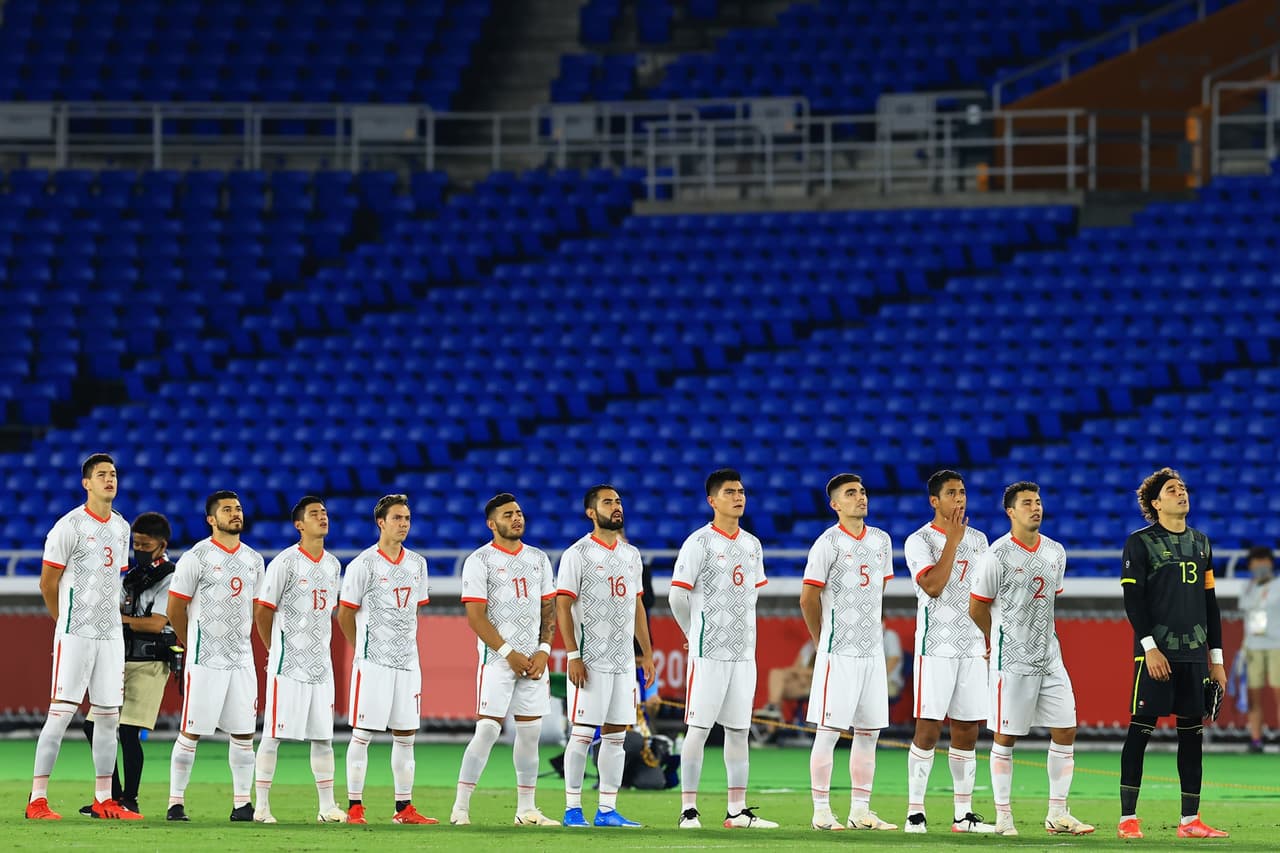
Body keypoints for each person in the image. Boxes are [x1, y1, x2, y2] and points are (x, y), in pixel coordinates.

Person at [968, 481, 1094, 837]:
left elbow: (1050, 599)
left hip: (1050, 657)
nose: (1035, 508)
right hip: (1012, 660)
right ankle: (1004, 816)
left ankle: (1058, 813)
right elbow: (977, 606)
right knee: (1006, 737)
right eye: (1027, 503)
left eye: (1038, 502)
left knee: (1066, 729)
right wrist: (994, 639)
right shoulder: (997, 555)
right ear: (1011, 511)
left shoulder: (1056, 551)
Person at [1118, 468, 1228, 839]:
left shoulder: (1202, 543)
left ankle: (1190, 821)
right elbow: (1133, 601)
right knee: (1141, 730)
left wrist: (1217, 660)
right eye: (1171, 489)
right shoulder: (1140, 542)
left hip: (1195, 655)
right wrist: (1149, 648)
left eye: (1182, 488)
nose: (1181, 493)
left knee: (1192, 735)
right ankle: (1127, 819)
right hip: (1156, 654)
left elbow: (1210, 604)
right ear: (1155, 503)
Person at [28, 453, 139, 821]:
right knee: (61, 714)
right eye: (102, 475)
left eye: (113, 474)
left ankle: (104, 798)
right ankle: (37, 799)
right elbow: (48, 583)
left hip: (110, 636)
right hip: (75, 632)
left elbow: (116, 579)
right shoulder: (69, 526)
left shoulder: (122, 528)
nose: (110, 479)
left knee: (108, 717)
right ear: (86, 483)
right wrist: (65, 623)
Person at [670, 468, 777, 830]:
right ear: (712, 500)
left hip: (744, 654)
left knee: (738, 731)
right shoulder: (698, 543)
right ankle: (688, 810)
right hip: (709, 652)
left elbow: (754, 593)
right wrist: (692, 632)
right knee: (698, 730)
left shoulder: (752, 544)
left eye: (741, 491)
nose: (738, 496)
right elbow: (676, 595)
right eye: (730, 491)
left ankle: (737, 810)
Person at [450, 493, 558, 827]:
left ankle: (527, 809)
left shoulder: (538, 559)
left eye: (519, 513)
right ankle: (460, 808)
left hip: (533, 661)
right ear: (491, 523)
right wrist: (509, 653)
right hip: (498, 660)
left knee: (530, 735)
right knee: (486, 730)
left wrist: (543, 649)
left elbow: (548, 610)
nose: (516, 518)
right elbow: (476, 617)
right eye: (508, 514)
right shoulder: (479, 560)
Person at [800, 473, 898, 831]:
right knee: (828, 732)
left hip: (871, 653)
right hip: (837, 652)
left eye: (863, 490)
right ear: (835, 504)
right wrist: (821, 640)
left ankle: (861, 810)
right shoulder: (827, 543)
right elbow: (808, 598)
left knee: (869, 733)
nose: (861, 497)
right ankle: (822, 811)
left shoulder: (881, 541)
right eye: (851, 493)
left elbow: (877, 596)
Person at [556, 484, 656, 828]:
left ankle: (607, 810)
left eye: (618, 502)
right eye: (607, 502)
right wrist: (572, 654)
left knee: (615, 736)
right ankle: (572, 809)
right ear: (590, 512)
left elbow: (637, 605)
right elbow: (563, 605)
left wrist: (646, 652)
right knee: (583, 734)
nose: (616, 507)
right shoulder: (577, 554)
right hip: (591, 660)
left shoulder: (631, 554)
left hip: (623, 662)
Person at [901, 469, 993, 833]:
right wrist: (953, 541)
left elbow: (986, 595)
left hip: (971, 647)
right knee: (927, 729)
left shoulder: (981, 540)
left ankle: (963, 815)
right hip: (935, 647)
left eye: (963, 492)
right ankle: (914, 812)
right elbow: (934, 586)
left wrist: (989, 638)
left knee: (968, 731)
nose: (960, 499)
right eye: (952, 493)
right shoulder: (918, 541)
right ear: (934, 501)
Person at [165, 490, 264, 822]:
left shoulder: (254, 560)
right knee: (192, 730)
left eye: (238, 508)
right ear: (211, 519)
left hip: (241, 659)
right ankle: (175, 802)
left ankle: (241, 804)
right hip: (205, 658)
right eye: (227, 510)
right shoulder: (197, 557)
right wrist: (192, 641)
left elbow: (256, 609)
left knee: (243, 733)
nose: (235, 513)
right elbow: (175, 607)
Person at [337, 494, 436, 825]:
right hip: (373, 664)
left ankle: (403, 808)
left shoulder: (417, 564)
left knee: (406, 736)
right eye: (397, 518)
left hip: (408, 663)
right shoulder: (363, 565)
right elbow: (345, 613)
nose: (404, 524)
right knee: (363, 734)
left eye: (407, 518)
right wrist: (362, 650)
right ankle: (354, 806)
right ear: (381, 522)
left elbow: (415, 610)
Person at [251, 496, 346, 824]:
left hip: (320, 666)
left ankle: (326, 806)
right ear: (299, 525)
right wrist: (274, 650)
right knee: (273, 735)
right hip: (287, 665)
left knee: (323, 736)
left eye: (325, 512)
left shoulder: (333, 565)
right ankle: (261, 806)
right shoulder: (285, 563)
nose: (323, 517)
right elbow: (263, 610)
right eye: (315, 514)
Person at [79, 512, 179, 818]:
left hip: (150, 660)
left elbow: (156, 623)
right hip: (121, 658)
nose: (139, 550)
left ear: (161, 546)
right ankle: (111, 795)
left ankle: (130, 798)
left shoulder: (172, 578)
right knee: (93, 725)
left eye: (145, 544)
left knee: (128, 732)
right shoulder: (133, 577)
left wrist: (119, 620)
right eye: (135, 544)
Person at [1240, 545, 1279, 752]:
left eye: (1263, 561)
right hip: (1253, 647)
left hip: (1276, 646)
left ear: (1270, 563)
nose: (1260, 566)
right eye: (1256, 562)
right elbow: (1247, 613)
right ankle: (1256, 739)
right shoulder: (1247, 587)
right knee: (1253, 695)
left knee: (1278, 693)